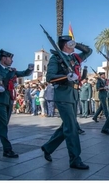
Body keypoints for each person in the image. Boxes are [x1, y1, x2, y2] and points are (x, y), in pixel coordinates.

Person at [41, 35, 91, 169]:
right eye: (70, 43)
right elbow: (50, 77)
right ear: (65, 45)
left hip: (73, 95)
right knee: (72, 128)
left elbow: (88, 51)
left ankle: (48, 147)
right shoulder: (56, 58)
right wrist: (66, 76)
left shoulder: (74, 57)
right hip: (63, 95)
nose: (73, 45)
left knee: (67, 126)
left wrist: (77, 44)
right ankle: (75, 159)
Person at [0, 49, 34, 158]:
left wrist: (30, 69)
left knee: (3, 124)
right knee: (3, 125)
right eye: (10, 58)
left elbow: (23, 73)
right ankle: (7, 149)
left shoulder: (11, 70)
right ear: (3, 58)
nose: (12, 60)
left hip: (9, 99)